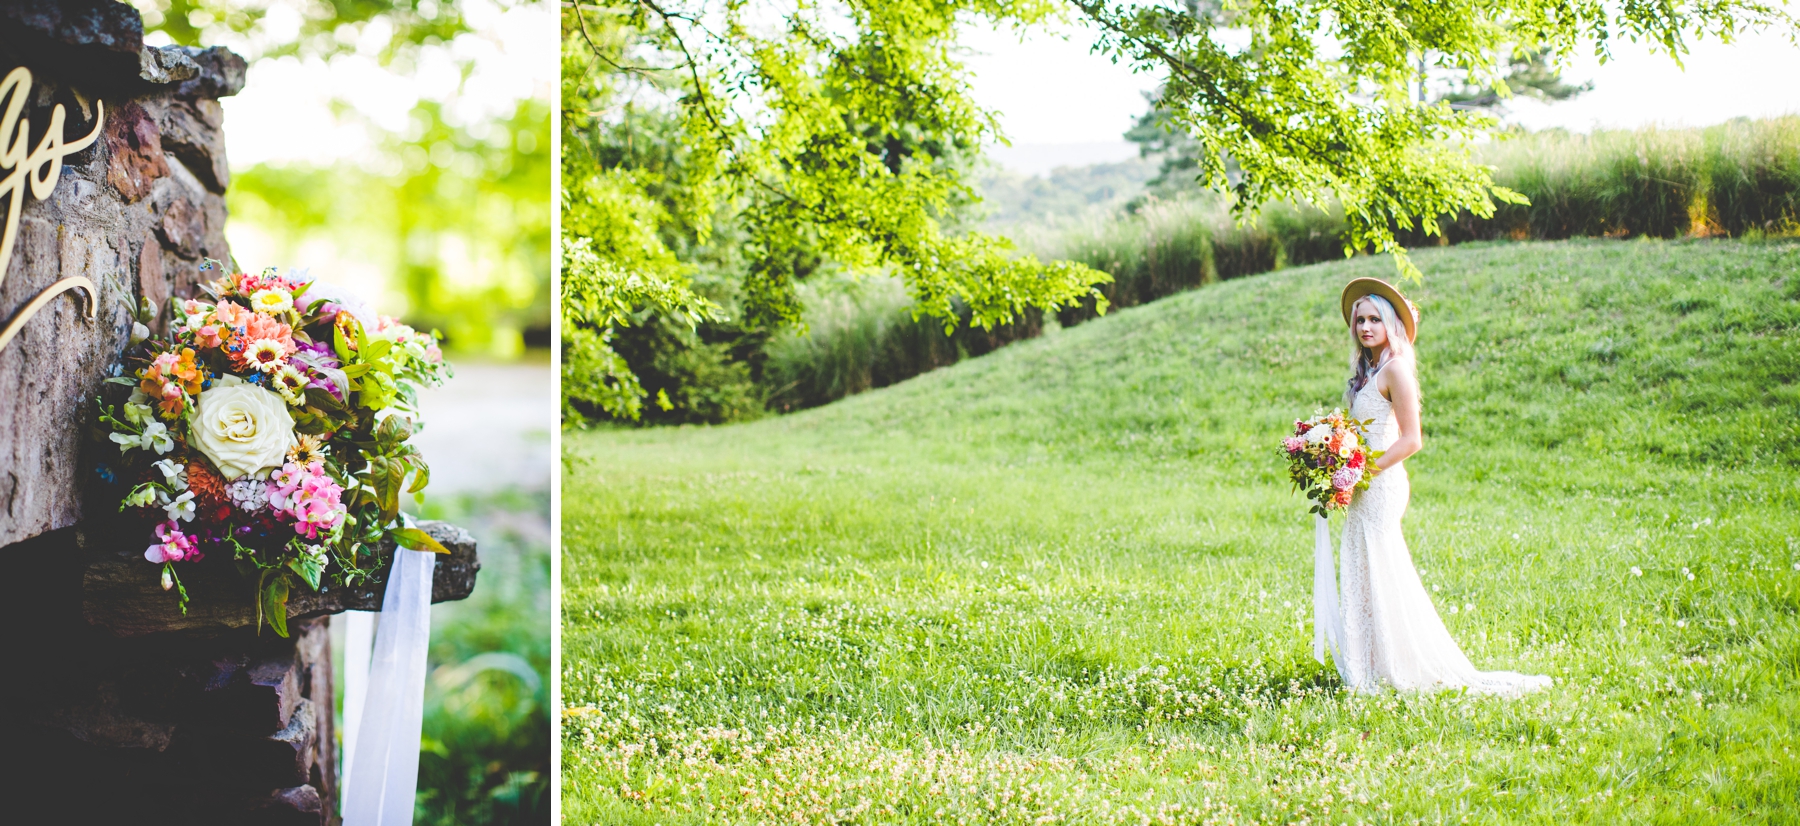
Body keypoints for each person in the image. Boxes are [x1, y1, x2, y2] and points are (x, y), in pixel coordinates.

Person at [1315, 277, 1551, 695]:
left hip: (1381, 485)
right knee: (1361, 567)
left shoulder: (1396, 370)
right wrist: (1331, 453)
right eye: (1360, 320)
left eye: (1375, 319)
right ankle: (1369, 663)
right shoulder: (1368, 371)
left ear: (1390, 324)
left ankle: (1400, 662)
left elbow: (1411, 439)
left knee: (1381, 566)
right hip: (1363, 483)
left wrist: (1360, 472)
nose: (1366, 327)